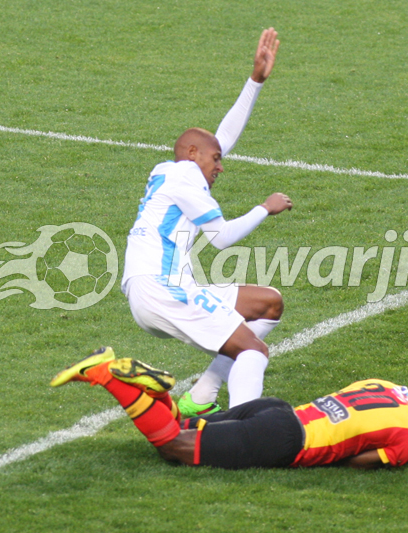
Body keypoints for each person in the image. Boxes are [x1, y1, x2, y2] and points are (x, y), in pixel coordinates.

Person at [121, 28, 293, 419]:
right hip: (161, 289)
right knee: (253, 350)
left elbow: (220, 139)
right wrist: (264, 208)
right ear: (192, 153)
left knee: (268, 304)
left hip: (156, 286)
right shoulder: (186, 176)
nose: (220, 167)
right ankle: (245, 431)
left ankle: (201, 396)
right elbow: (221, 237)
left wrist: (255, 81)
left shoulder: (168, 169)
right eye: (215, 160)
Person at [50, 347, 408, 469]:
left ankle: (152, 389)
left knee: (182, 425)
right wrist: (405, 456)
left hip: (277, 412)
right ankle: (106, 374)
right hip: (283, 440)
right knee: (172, 446)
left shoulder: (382, 385)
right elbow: (357, 461)